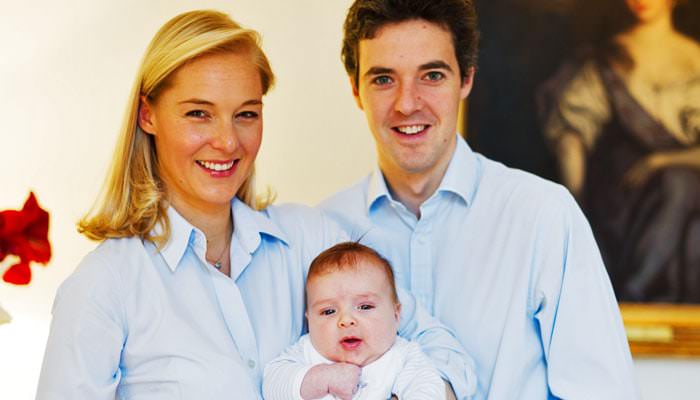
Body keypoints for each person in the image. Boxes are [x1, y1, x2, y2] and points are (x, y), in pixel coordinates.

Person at [35, 10, 474, 399]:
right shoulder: (103, 288)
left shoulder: (309, 239)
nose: (227, 142)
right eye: (198, 114)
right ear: (147, 115)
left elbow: (439, 346)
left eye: (246, 113)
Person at [320, 0, 640, 398]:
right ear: (355, 90)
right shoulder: (322, 232)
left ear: (466, 79)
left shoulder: (543, 216)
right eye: (383, 79)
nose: (407, 103)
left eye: (432, 75)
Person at [539, 0, 700, 302]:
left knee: (682, 185)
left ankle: (639, 291)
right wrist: (577, 202)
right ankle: (631, 294)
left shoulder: (695, 60)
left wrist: (661, 161)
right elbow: (572, 135)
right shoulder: (606, 60)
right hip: (623, 193)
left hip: (681, 188)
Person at [263, 242, 445, 400]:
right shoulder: (306, 351)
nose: (346, 320)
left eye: (365, 307)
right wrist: (323, 378)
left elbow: (428, 388)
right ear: (309, 320)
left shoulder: (403, 357)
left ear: (396, 315)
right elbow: (272, 383)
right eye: (328, 311)